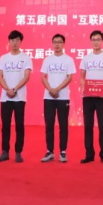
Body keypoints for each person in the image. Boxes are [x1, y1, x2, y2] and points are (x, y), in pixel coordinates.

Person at [0, 30, 32, 163]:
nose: (14, 43)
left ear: (20, 42)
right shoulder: (3, 58)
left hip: (19, 97)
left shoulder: (25, 58)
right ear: (9, 42)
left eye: (17, 40)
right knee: (5, 125)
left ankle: (18, 152)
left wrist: (14, 89)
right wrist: (7, 89)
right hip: (5, 97)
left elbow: (26, 77)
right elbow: (0, 76)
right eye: (12, 40)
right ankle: (4, 152)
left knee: (19, 125)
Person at [40, 34, 76, 163]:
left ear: (63, 44)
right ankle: (49, 151)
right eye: (55, 42)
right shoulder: (47, 59)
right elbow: (43, 77)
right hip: (48, 97)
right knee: (49, 124)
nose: (57, 44)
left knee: (63, 124)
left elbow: (69, 77)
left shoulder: (68, 60)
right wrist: (50, 89)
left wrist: (57, 89)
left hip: (63, 97)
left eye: (59, 42)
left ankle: (63, 152)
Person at [79, 30, 103, 164]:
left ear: (102, 41)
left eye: (98, 39)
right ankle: (89, 154)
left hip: (102, 96)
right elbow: (82, 76)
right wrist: (84, 87)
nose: (96, 42)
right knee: (88, 126)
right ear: (91, 41)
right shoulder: (86, 58)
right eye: (93, 39)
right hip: (88, 96)